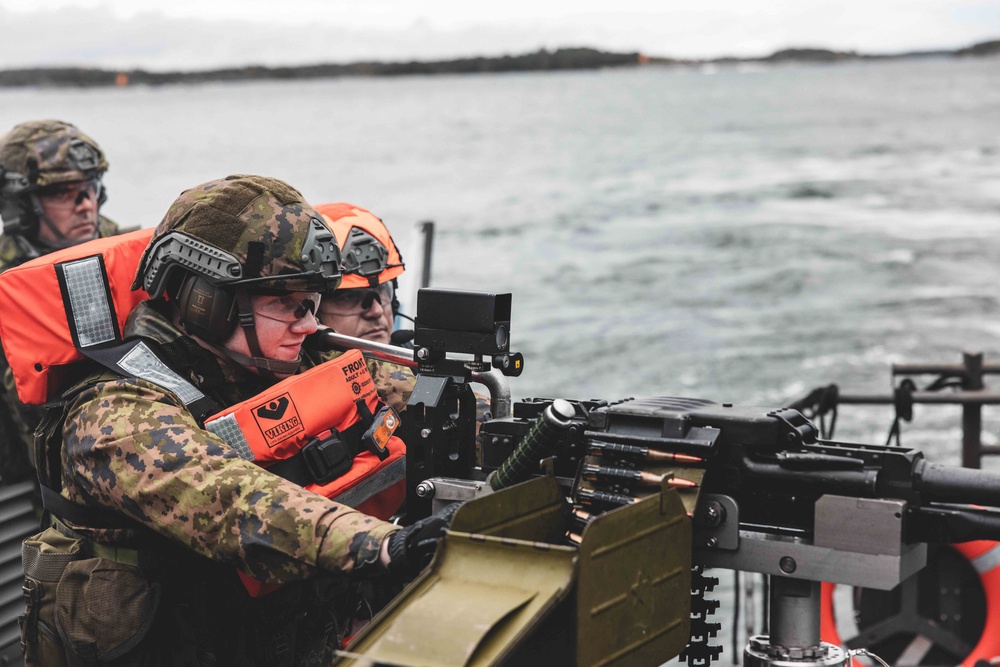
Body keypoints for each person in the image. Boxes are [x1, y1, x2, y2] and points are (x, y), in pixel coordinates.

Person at [22, 175, 454, 665]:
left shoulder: (281, 356)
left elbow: (416, 397)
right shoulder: (114, 413)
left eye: (312, 304)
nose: (310, 324)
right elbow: (227, 499)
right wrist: (384, 546)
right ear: (207, 303)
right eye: (284, 304)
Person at [0, 120, 131, 484]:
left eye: (90, 189)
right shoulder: (5, 284)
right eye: (63, 193)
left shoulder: (129, 253)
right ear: (20, 208)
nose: (85, 205)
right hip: (49, 468)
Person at [315, 202, 417, 414]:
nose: (376, 311)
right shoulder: (297, 385)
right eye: (350, 297)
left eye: (382, 291)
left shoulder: (415, 359)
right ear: (313, 309)